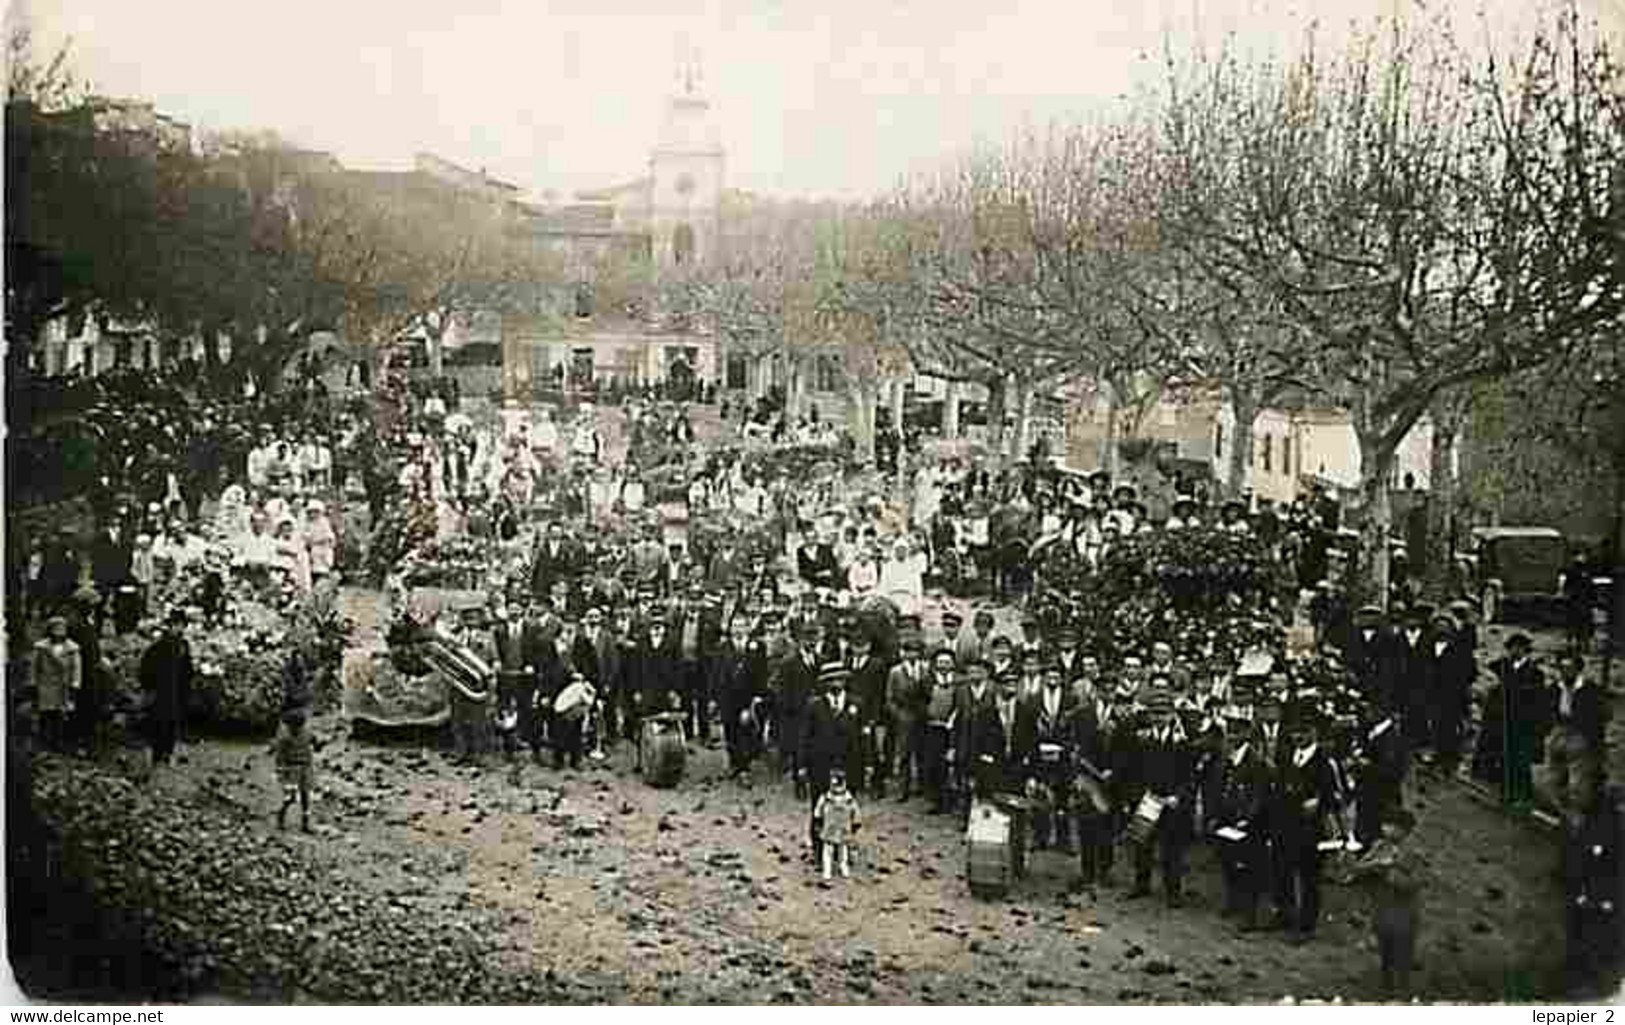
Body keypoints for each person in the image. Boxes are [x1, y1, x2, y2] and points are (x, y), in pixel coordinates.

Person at [1348, 818, 1428, 997]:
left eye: (1393, 825)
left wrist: (1391, 873)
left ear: (1404, 831)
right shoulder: (1379, 846)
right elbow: (1358, 868)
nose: (1387, 829)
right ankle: (1386, 985)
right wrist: (1375, 866)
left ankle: (1402, 989)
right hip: (1381, 909)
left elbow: (1415, 883)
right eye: (1385, 824)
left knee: (1402, 953)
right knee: (1385, 949)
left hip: (1403, 913)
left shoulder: (1414, 853)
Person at [800, 664, 862, 868]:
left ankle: (843, 850)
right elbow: (805, 738)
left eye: (840, 679)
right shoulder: (814, 706)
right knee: (820, 808)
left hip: (849, 764)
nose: (836, 683)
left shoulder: (855, 704)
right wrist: (801, 766)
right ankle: (819, 852)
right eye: (832, 680)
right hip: (820, 765)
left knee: (846, 808)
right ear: (825, 684)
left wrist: (868, 763)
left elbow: (863, 738)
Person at [1547, 653, 1610, 827]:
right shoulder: (1554, 688)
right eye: (1562, 668)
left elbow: (1604, 715)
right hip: (1559, 731)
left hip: (1580, 735)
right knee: (1554, 777)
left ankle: (1579, 820)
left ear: (1578, 669)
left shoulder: (1590, 690)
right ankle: (1562, 815)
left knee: (1578, 781)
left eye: (1570, 668)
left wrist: (1590, 736)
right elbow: (1546, 709)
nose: (1565, 672)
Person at [139, 609, 194, 769]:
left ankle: (167, 754)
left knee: (172, 722)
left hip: (177, 690)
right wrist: (149, 686)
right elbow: (146, 667)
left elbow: (187, 669)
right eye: (175, 625)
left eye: (181, 625)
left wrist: (187, 685)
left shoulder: (183, 645)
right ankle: (158, 755)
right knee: (159, 722)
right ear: (169, 626)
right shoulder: (159, 646)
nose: (179, 629)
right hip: (162, 690)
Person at [30, 615, 81, 750]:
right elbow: (34, 666)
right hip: (45, 683)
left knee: (60, 714)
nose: (59, 633)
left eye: (62, 630)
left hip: (63, 684)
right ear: (50, 630)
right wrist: (33, 682)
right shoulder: (41, 647)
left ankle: (58, 741)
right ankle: (42, 740)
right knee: (45, 713)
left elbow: (76, 667)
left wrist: (75, 682)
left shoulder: (72, 648)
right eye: (55, 630)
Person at [813, 769, 863, 881]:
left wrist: (856, 823)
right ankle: (827, 869)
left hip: (843, 827)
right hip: (829, 827)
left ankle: (843, 866)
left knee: (843, 849)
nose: (836, 785)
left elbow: (855, 811)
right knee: (828, 849)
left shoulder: (849, 799)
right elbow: (818, 810)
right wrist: (817, 821)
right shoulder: (826, 798)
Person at [274, 709, 318, 832]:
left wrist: (317, 744)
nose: (296, 729)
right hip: (291, 768)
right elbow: (280, 757)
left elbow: (315, 742)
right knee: (291, 797)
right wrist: (281, 772)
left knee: (305, 795)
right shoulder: (285, 738)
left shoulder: (307, 733)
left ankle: (305, 822)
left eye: (298, 726)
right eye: (293, 726)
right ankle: (281, 815)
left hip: (306, 767)